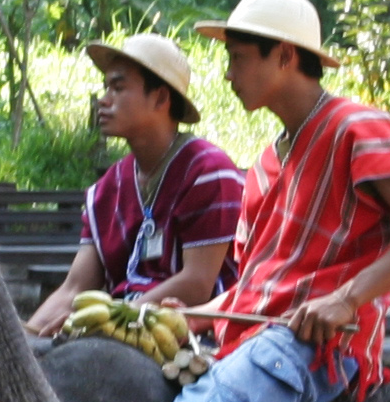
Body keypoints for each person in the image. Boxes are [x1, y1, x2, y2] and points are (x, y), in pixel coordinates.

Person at [159, 0, 390, 402]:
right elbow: (254, 291)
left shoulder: (357, 127)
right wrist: (192, 317)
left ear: (284, 56)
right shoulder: (261, 167)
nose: (228, 74)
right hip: (253, 342)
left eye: (237, 58)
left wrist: (346, 299)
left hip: (315, 349)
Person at [25, 34, 243, 336]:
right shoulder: (106, 190)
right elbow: (74, 288)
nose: (104, 100)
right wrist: (26, 337)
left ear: (161, 98)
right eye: (106, 88)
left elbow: (197, 283)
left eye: (118, 88)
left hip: (189, 334)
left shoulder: (209, 172)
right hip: (117, 329)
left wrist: (107, 321)